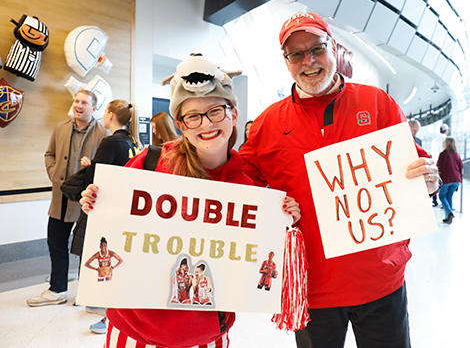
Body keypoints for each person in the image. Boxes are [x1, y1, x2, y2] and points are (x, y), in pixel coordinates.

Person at [239, 12, 439, 348]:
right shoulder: (267, 125)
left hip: (380, 278)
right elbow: (239, 182)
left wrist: (428, 180)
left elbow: (416, 166)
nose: (310, 61)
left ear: (334, 47)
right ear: (286, 61)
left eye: (317, 48)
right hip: (312, 285)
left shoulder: (377, 104)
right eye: (297, 54)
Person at [79, 53, 301, 348]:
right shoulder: (151, 162)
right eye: (193, 116)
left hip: (205, 336)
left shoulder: (246, 190)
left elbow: (251, 268)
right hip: (133, 331)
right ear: (181, 124)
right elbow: (114, 221)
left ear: (233, 114)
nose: (205, 124)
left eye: (215, 111)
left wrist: (283, 221)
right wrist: (96, 202)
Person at [62, 98, 142, 333]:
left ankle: (107, 310)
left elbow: (92, 179)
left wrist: (89, 167)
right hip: (125, 209)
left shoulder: (111, 141)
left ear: (109, 114)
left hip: (105, 208)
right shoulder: (133, 142)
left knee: (98, 254)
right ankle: (104, 306)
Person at [27, 90, 109, 307]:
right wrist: (54, 173)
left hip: (86, 200)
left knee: (87, 246)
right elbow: (49, 154)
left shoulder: (104, 133)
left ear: (94, 108)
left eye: (84, 103)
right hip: (61, 198)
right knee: (55, 242)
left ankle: (86, 292)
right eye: (76, 101)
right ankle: (57, 290)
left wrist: (92, 167)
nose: (79, 105)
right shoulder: (61, 128)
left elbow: (109, 166)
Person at [437, 136, 463, 224]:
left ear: (447, 143)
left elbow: (438, 166)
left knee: (441, 196)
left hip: (446, 179)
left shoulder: (443, 154)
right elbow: (461, 166)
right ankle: (448, 217)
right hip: (456, 179)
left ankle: (449, 213)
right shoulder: (457, 154)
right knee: (449, 196)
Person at [430, 123, 450, 206]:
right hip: (443, 164)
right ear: (446, 130)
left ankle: (434, 201)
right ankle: (443, 202)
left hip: (435, 162)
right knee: (444, 183)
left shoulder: (435, 138)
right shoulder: (446, 139)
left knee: (435, 181)